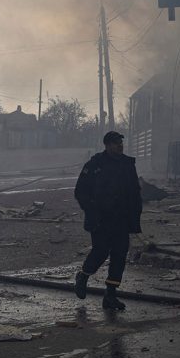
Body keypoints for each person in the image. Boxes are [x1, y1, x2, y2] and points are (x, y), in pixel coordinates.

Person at [73, 130, 142, 310]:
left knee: (119, 256)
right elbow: (80, 191)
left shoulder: (127, 165)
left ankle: (110, 295)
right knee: (101, 251)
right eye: (115, 142)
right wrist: (91, 210)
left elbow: (135, 193)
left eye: (120, 142)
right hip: (101, 219)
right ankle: (83, 276)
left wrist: (135, 217)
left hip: (121, 219)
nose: (119, 145)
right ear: (107, 145)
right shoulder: (95, 164)